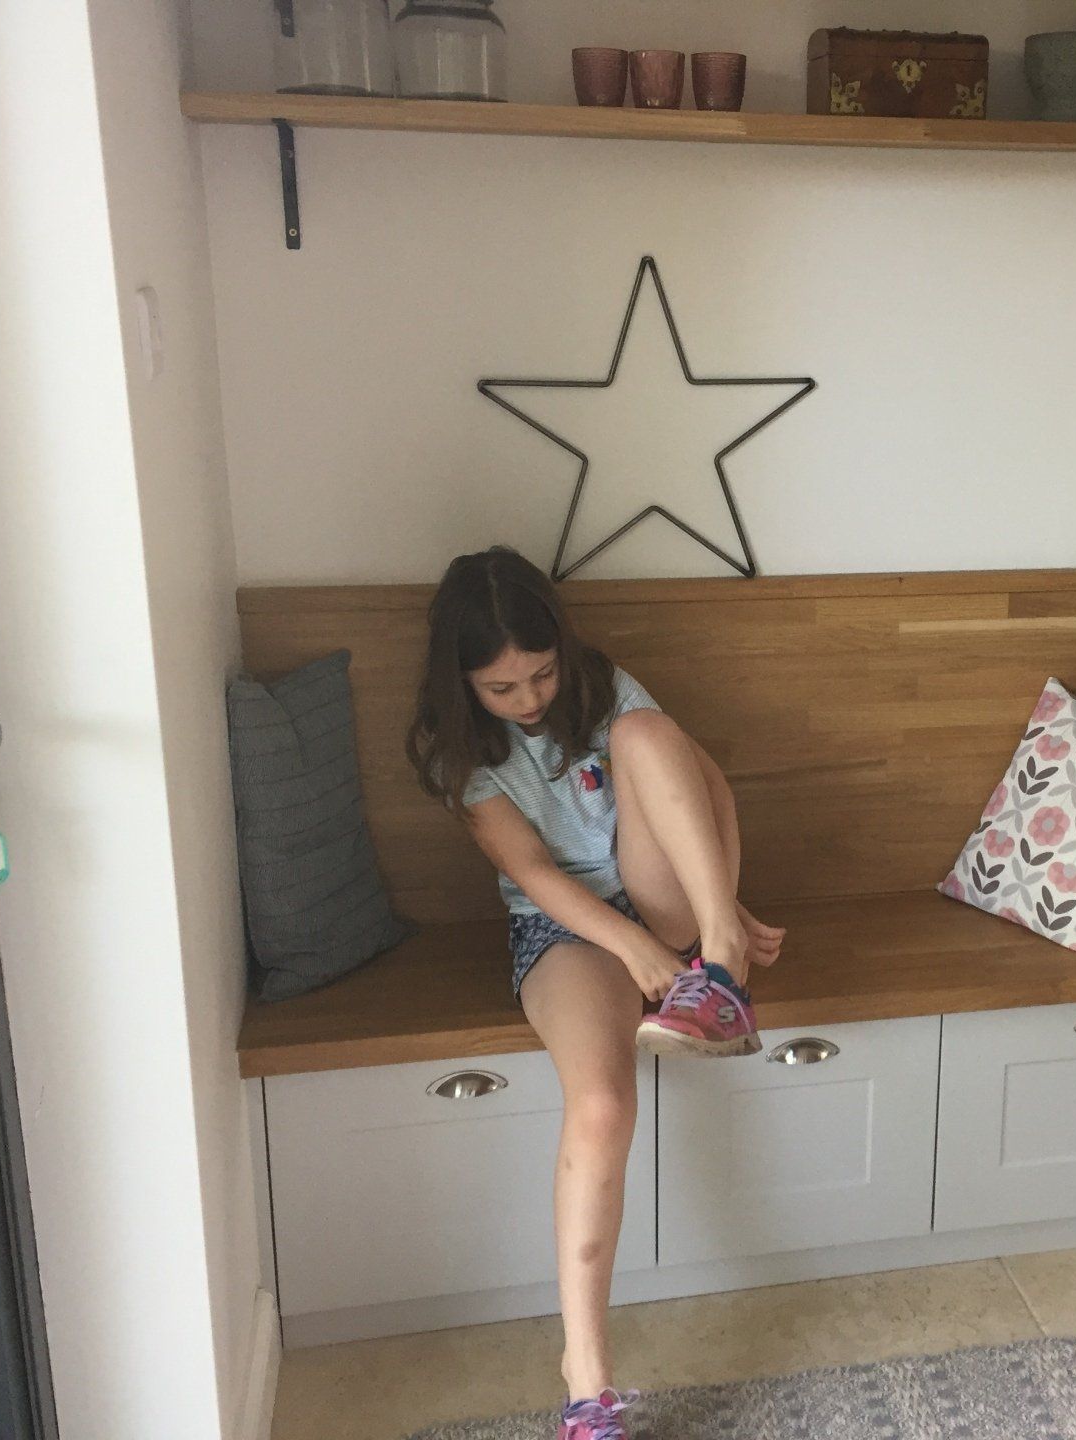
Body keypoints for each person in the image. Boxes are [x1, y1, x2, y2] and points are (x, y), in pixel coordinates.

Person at [406, 546, 784, 1440]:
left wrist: (714, 911)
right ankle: (587, 1381)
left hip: (662, 895)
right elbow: (534, 873)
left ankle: (722, 964)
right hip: (564, 924)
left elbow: (704, 793)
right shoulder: (454, 749)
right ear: (463, 684)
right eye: (501, 688)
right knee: (603, 1104)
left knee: (649, 734)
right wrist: (636, 949)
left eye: (541, 674)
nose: (529, 699)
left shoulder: (604, 688)